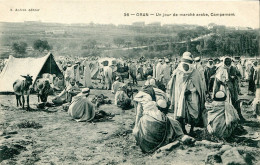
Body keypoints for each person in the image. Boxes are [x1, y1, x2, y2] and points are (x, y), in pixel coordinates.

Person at [133, 86, 195, 153]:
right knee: (172, 123)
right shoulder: (155, 102)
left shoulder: (141, 101)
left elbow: (138, 115)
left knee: (141, 125)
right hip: (160, 120)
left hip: (147, 125)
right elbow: (165, 109)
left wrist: (136, 128)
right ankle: (179, 136)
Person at [168, 53, 206, 134]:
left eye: (187, 65)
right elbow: (174, 86)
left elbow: (199, 86)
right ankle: (183, 130)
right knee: (181, 113)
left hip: (192, 96)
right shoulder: (178, 72)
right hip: (180, 97)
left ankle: (192, 129)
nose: (185, 67)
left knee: (194, 113)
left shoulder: (195, 73)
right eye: (184, 65)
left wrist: (190, 91)